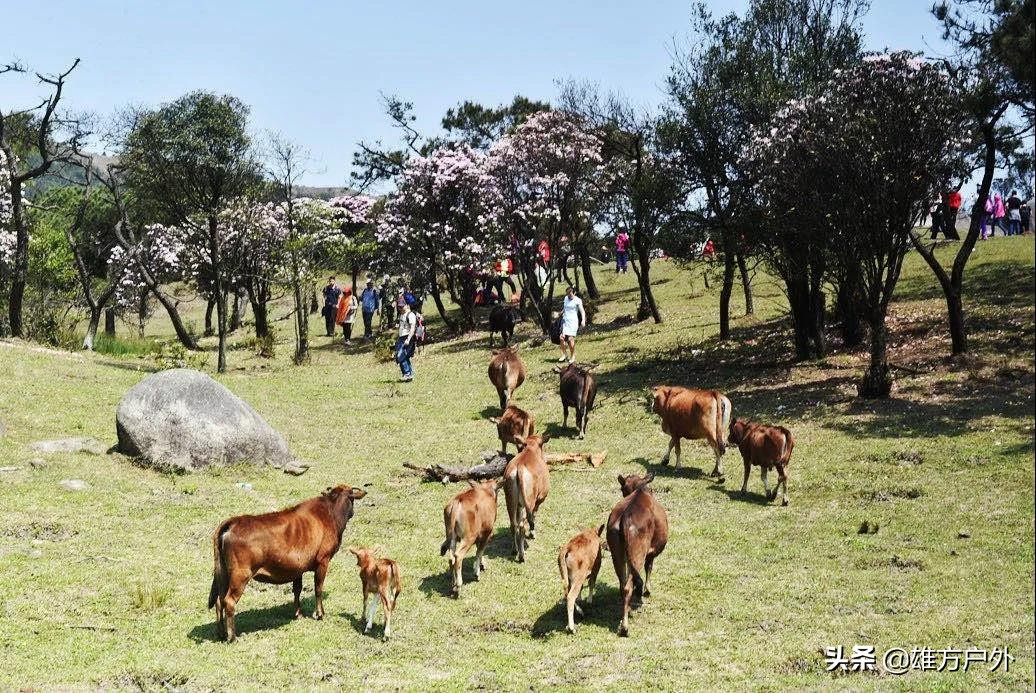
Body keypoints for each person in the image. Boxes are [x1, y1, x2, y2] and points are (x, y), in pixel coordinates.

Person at [558, 286, 586, 364]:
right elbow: (565, 308)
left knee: (570, 339)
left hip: (573, 322)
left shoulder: (578, 300)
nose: (569, 296)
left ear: (574, 293)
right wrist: (561, 313)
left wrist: (583, 320)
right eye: (567, 294)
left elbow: (582, 311)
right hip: (565, 321)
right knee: (561, 338)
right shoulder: (566, 298)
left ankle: (573, 356)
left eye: (570, 294)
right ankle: (564, 354)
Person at [395, 301, 418, 382]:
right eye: (399, 307)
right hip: (401, 338)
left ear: (407, 305)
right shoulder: (401, 315)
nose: (400, 308)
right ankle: (410, 373)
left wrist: (408, 339)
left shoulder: (411, 315)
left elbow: (412, 328)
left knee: (400, 356)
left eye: (402, 306)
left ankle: (407, 374)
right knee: (405, 356)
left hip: (408, 337)